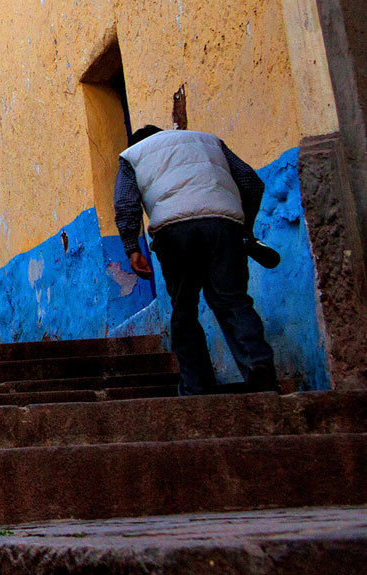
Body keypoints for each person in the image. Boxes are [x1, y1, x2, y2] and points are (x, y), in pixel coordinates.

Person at [116, 124, 279, 394]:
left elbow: (125, 203)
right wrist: (244, 227)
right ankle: (258, 368)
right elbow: (251, 181)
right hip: (223, 226)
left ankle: (196, 385)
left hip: (174, 231)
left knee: (184, 309)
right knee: (233, 301)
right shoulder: (209, 141)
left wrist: (133, 247)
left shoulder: (132, 155)